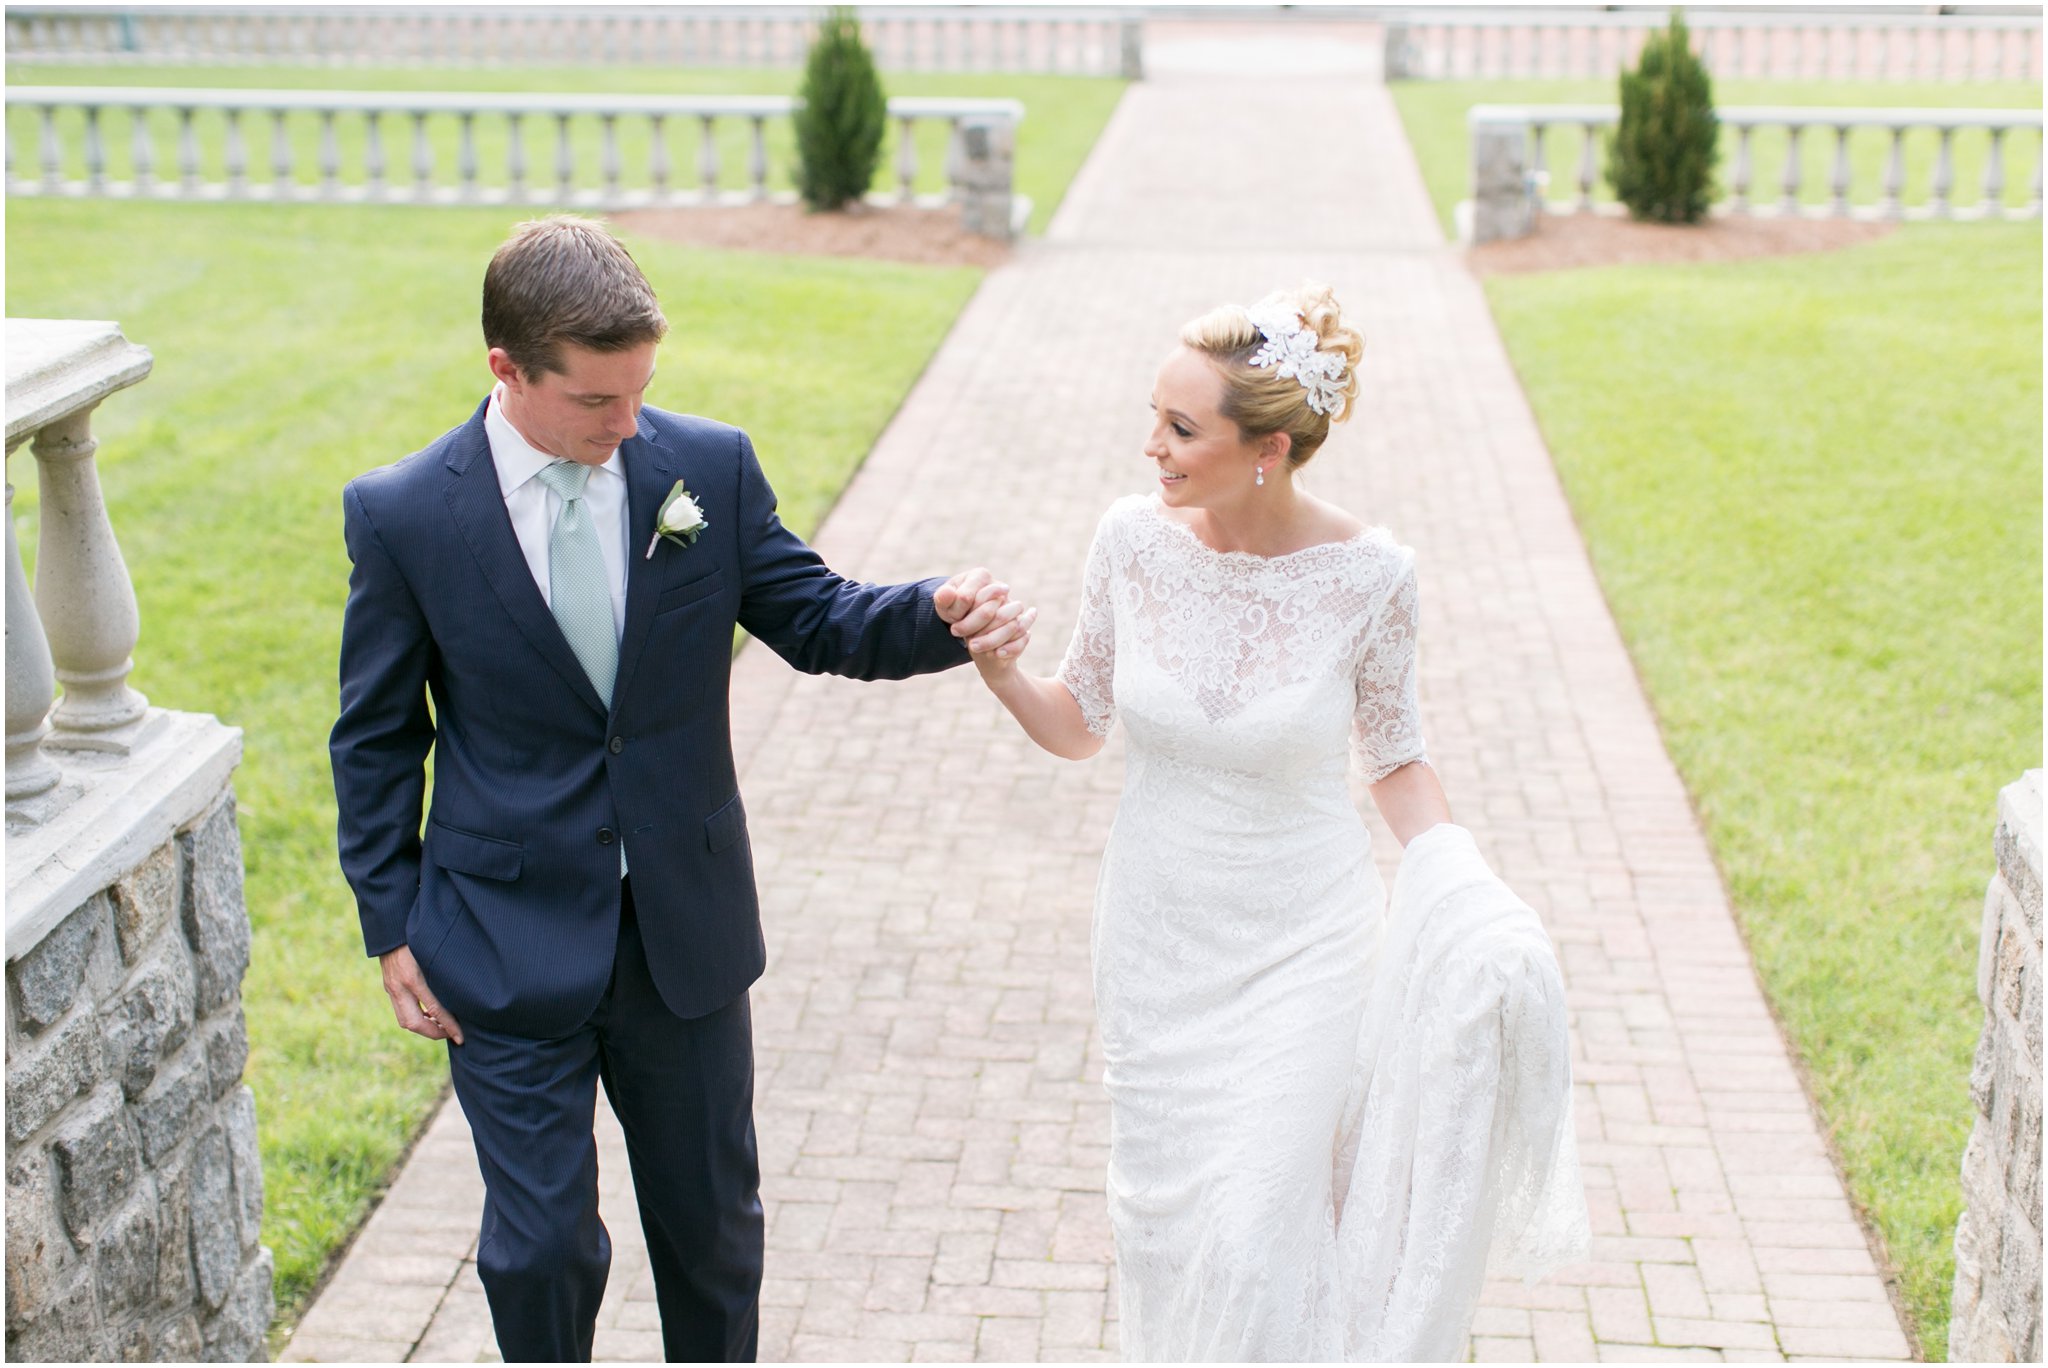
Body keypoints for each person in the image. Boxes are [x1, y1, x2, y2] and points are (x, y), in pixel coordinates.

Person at [328, 215, 1030, 1362]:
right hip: (498, 938)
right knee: (541, 1249)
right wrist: (389, 926)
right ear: (506, 369)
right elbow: (374, 737)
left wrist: (934, 611)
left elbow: (817, 616)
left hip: (683, 936)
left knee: (710, 1239)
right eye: (596, 403)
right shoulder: (404, 514)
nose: (627, 424)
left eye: (641, 392)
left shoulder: (704, 466)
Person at [962, 283, 1587, 1359]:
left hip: (1303, 944)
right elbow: (1079, 724)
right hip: (1157, 943)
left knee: (1255, 1230)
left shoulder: (1371, 577)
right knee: (1165, 1236)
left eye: (1178, 427)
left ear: (1268, 449)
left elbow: (1394, 757)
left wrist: (1463, 881)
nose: (1148, 446)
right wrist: (1002, 673)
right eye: (1152, 416)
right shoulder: (1128, 541)